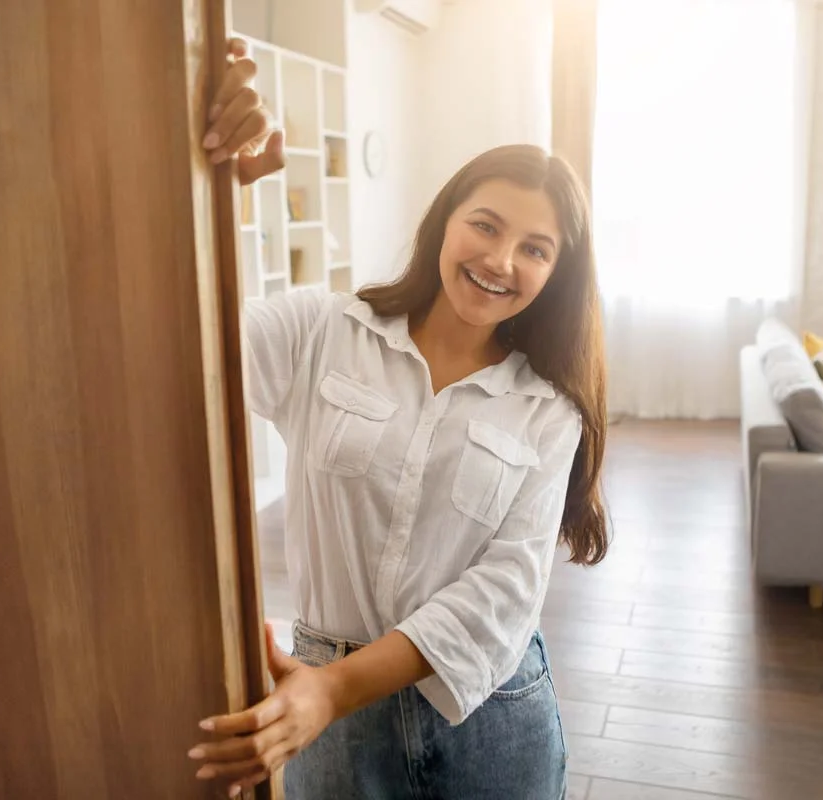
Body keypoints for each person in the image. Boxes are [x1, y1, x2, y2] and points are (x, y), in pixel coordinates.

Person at [188, 37, 608, 800]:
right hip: (330, 719)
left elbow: (506, 589)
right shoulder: (323, 330)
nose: (502, 259)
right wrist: (218, 190)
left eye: (535, 249)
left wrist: (331, 690)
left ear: (556, 274)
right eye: (485, 224)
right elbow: (193, 355)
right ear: (445, 220)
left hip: (493, 716)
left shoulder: (550, 409)